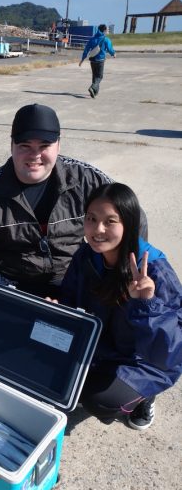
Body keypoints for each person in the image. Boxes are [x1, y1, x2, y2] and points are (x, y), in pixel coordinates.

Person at [0, 103, 146, 299]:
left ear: (58, 145)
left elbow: (134, 216)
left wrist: (125, 266)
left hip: (74, 282)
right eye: (25, 146)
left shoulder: (87, 180)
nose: (35, 155)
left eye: (44, 146)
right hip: (11, 287)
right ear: (11, 145)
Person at [59, 183, 182, 430]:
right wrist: (59, 308)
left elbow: (168, 354)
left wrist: (146, 303)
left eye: (110, 221)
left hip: (143, 361)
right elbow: (70, 297)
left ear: (129, 224)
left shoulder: (155, 273)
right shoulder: (86, 256)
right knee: (52, 374)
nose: (98, 230)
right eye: (91, 219)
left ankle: (144, 398)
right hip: (101, 346)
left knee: (99, 400)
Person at [79, 24, 116, 98]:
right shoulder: (106, 39)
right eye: (107, 30)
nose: (107, 32)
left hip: (92, 60)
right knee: (99, 77)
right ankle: (92, 87)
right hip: (100, 60)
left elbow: (86, 50)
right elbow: (109, 49)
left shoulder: (92, 39)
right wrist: (113, 54)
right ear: (104, 30)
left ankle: (94, 92)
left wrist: (82, 59)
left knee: (94, 76)